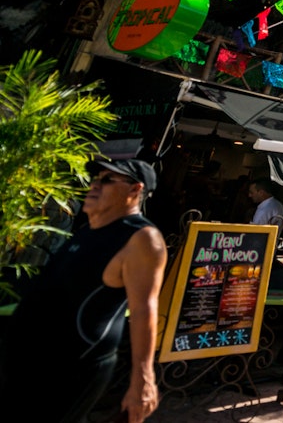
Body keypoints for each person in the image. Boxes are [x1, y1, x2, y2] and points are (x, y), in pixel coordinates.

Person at [2, 158, 166, 423]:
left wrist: (143, 379)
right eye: (95, 179)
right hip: (27, 362)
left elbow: (144, 310)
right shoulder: (86, 231)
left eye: (107, 180)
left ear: (135, 189)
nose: (95, 185)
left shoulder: (141, 238)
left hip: (68, 368)